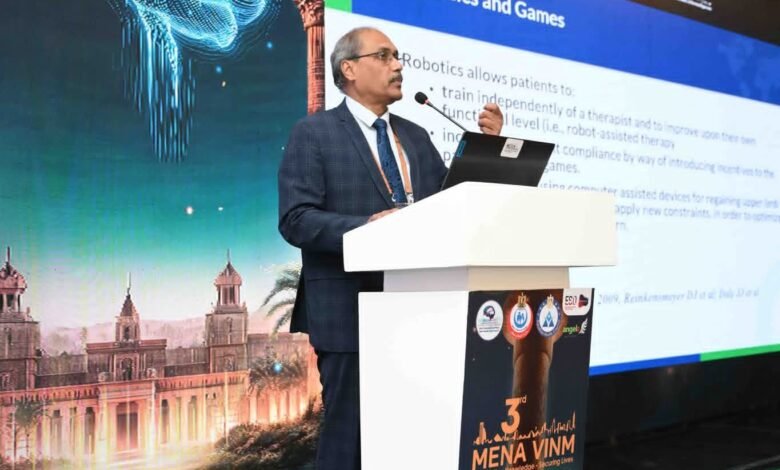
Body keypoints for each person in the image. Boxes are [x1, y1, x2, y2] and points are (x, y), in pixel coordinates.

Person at [278, 27, 503, 470]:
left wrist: (488, 150)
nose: (398, 65)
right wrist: (367, 227)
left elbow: (451, 205)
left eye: (398, 56)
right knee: (350, 440)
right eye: (384, 56)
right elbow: (296, 219)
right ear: (349, 69)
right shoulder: (314, 133)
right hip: (348, 311)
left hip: (422, 309)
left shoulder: (415, 136)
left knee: (413, 437)